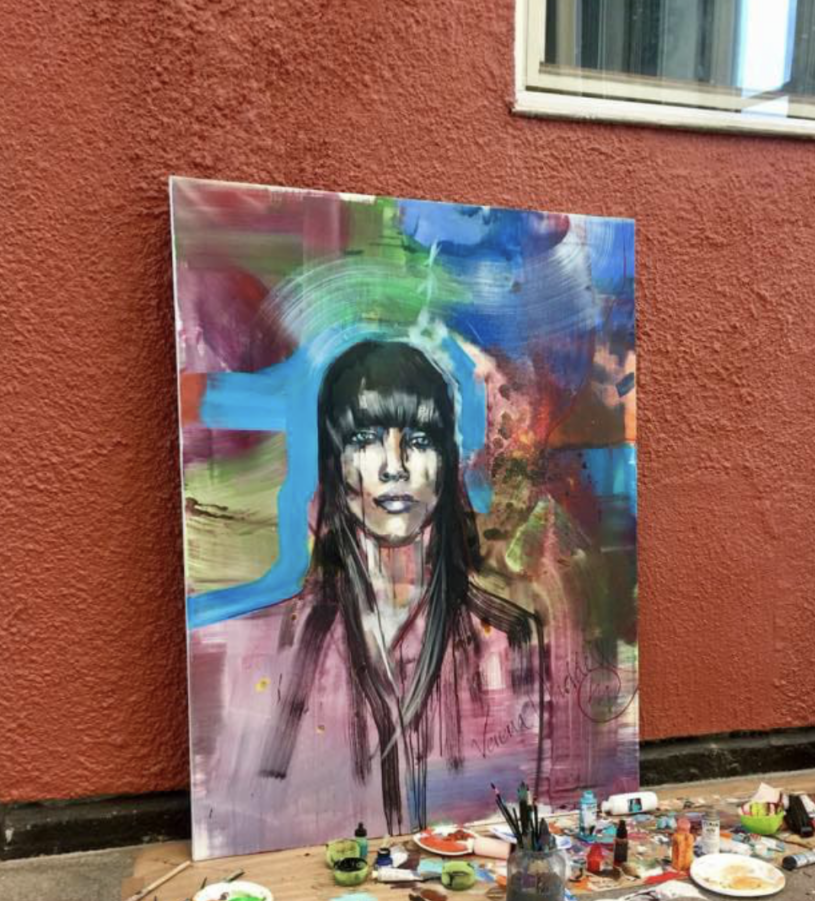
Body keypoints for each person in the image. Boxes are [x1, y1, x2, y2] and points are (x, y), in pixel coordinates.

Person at [189, 339, 548, 855]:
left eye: (418, 439)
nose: (394, 466)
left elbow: (524, 807)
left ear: (446, 461)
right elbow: (248, 812)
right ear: (334, 462)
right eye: (366, 439)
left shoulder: (508, 639)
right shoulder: (271, 650)